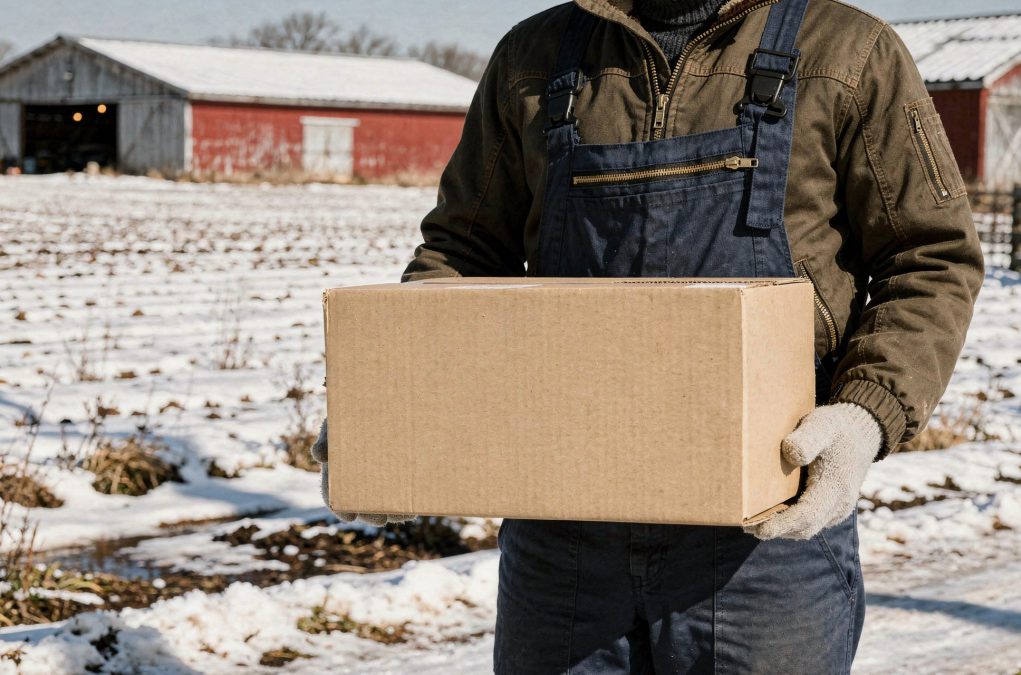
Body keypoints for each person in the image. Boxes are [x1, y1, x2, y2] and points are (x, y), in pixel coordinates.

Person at [311, 0, 984, 671]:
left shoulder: (848, 52)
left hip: (766, 538)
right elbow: (462, 252)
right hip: (561, 539)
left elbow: (930, 257)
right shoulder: (531, 58)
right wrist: (392, 400)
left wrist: (867, 414)